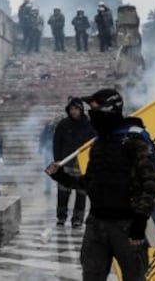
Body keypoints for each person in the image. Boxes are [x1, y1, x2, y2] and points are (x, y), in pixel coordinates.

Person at [45, 89, 155, 281]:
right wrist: (61, 177)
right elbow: (90, 183)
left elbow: (152, 183)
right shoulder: (98, 144)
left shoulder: (134, 140)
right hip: (96, 224)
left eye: (95, 107)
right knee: (91, 275)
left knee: (134, 277)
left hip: (126, 226)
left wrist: (140, 220)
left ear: (109, 108)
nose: (91, 113)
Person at [53, 97, 95, 228]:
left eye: (76, 108)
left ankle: (77, 219)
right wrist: (58, 160)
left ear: (81, 109)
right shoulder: (63, 124)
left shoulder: (89, 125)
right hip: (65, 164)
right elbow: (57, 142)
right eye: (71, 109)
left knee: (81, 194)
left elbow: (94, 143)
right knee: (63, 193)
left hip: (82, 166)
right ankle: (61, 217)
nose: (74, 111)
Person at [38, 118, 58, 195]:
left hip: (55, 152)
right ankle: (48, 188)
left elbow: (42, 138)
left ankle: (52, 188)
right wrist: (40, 148)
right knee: (50, 170)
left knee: (56, 170)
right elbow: (43, 138)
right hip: (49, 151)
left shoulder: (56, 128)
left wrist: (40, 148)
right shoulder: (48, 128)